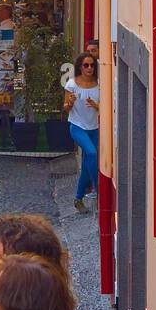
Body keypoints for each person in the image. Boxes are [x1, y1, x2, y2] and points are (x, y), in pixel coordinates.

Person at [64, 52, 99, 212]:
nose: (89, 68)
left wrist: (96, 106)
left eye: (92, 65)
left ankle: (78, 199)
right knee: (91, 154)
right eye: (86, 65)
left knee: (86, 165)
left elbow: (106, 107)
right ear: (80, 67)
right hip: (77, 126)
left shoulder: (99, 84)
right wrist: (69, 103)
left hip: (95, 128)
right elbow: (65, 108)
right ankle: (99, 190)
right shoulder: (72, 84)